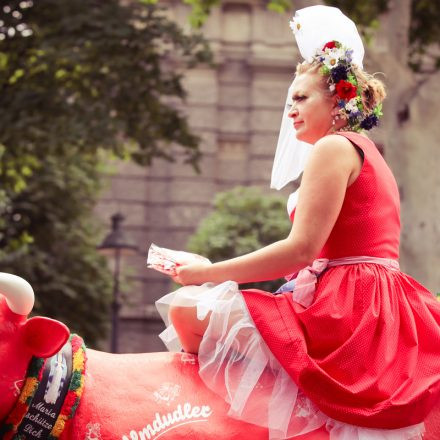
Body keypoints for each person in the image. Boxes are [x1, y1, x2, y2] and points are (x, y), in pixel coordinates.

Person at [154, 5, 440, 440]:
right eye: (290, 101)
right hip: (369, 298)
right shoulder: (361, 150)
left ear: (338, 101)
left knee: (185, 308)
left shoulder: (333, 148)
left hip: (349, 306)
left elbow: (301, 250)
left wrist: (206, 272)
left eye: (302, 99)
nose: (290, 111)